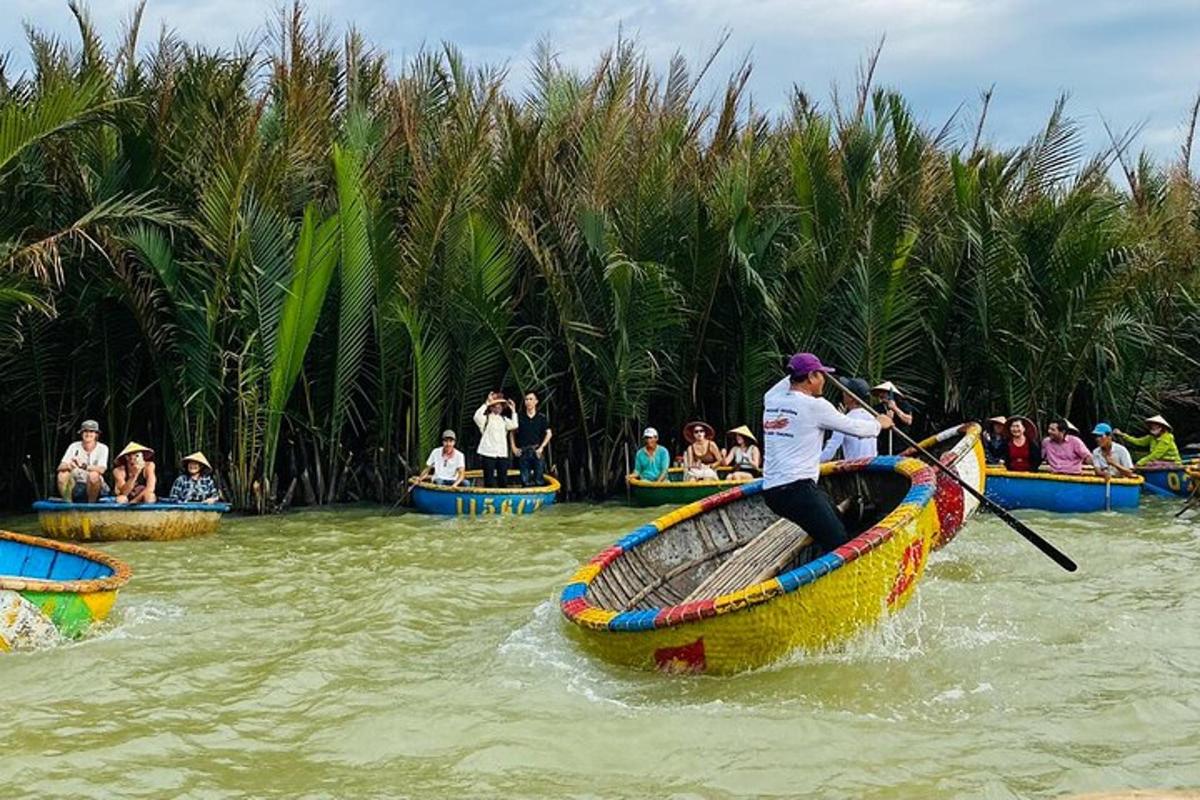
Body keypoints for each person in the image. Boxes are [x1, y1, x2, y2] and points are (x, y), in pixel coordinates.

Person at [762, 352, 893, 555]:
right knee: (840, 542)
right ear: (811, 376)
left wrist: (799, 366)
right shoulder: (816, 406)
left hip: (772, 492)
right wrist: (880, 424)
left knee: (837, 522)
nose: (825, 380)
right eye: (821, 374)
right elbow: (857, 429)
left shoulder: (771, 398)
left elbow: (789, 379)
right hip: (797, 489)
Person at [819, 377, 878, 462]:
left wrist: (813, 463)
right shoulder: (872, 418)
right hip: (871, 466)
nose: (843, 394)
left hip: (854, 468)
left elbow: (830, 451)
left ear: (851, 397)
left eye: (845, 392)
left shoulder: (845, 420)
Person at [56, 419, 110, 503]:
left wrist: (83, 466)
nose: (88, 434)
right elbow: (60, 467)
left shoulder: (103, 448)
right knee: (62, 474)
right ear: (81, 433)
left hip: (96, 487)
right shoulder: (74, 446)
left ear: (96, 434)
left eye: (91, 431)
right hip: (76, 485)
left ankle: (91, 505)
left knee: (94, 475)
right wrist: (69, 465)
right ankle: (68, 504)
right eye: (85, 431)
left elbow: (102, 469)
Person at [474, 392, 519, 488]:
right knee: (489, 480)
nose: (498, 408)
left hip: (501, 453)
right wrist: (486, 402)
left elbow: (514, 425)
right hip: (488, 453)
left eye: (500, 406)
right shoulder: (485, 418)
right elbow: (476, 417)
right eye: (495, 406)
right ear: (491, 407)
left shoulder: (504, 419)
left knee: (503, 480)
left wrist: (513, 410)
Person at [510, 391, 552, 487]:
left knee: (539, 478)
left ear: (536, 401)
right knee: (525, 480)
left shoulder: (541, 417)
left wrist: (541, 447)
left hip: (536, 450)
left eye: (531, 399)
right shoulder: (519, 417)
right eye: (526, 399)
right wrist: (514, 447)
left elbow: (549, 433)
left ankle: (540, 500)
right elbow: (512, 432)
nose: (528, 401)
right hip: (523, 450)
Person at [1115, 415, 1182, 466]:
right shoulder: (1151, 437)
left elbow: (1156, 454)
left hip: (1172, 462)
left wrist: (1140, 462)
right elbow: (1139, 441)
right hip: (1158, 461)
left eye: (1156, 426)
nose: (1153, 427)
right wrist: (1122, 435)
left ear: (1162, 427)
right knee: (1149, 463)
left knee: (1150, 464)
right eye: (1152, 426)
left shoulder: (1166, 438)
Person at [871, 380, 914, 454]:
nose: (881, 394)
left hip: (901, 443)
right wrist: (886, 419)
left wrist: (895, 408)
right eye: (880, 392)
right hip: (884, 444)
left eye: (884, 392)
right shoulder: (877, 408)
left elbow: (908, 421)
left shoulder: (903, 404)